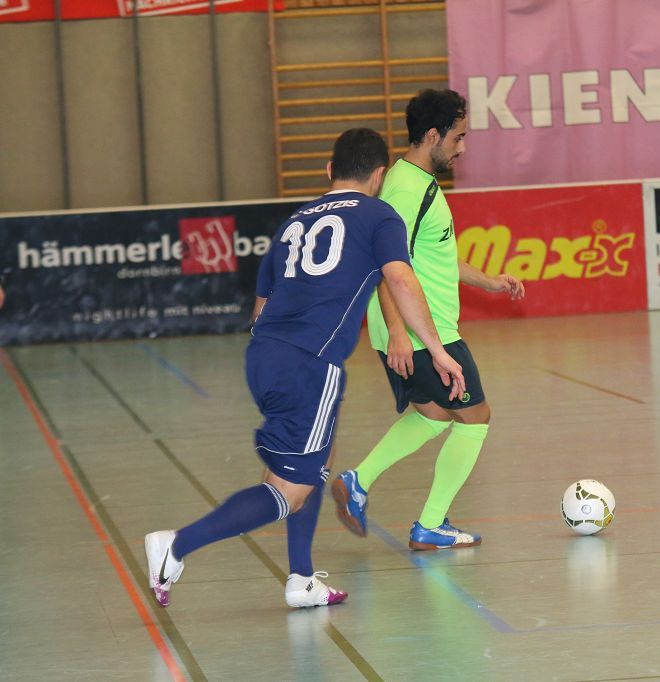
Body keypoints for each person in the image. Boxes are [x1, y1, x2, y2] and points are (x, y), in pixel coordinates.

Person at [144, 128, 466, 608]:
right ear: (379, 175)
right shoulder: (379, 215)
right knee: (287, 492)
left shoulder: (293, 222)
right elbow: (400, 278)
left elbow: (260, 308)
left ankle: (301, 579)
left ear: (330, 170)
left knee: (318, 457)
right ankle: (176, 545)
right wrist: (437, 350)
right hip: (309, 363)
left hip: (265, 355)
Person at [331, 89, 525, 551]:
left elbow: (434, 257)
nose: (463, 148)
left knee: (436, 415)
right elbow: (384, 263)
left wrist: (488, 281)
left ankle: (358, 481)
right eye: (458, 138)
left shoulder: (417, 183)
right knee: (475, 418)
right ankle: (430, 525)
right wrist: (400, 332)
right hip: (423, 331)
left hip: (418, 329)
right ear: (434, 135)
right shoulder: (405, 190)